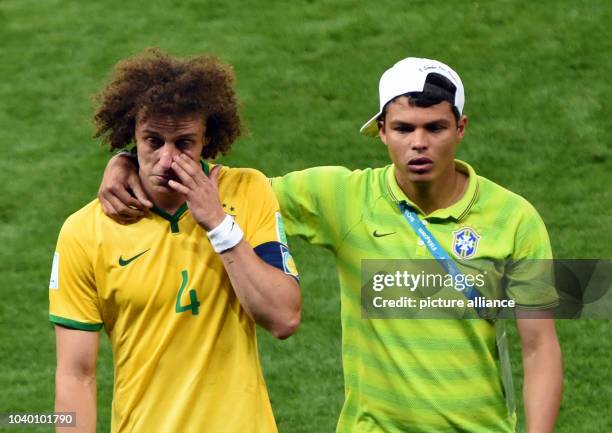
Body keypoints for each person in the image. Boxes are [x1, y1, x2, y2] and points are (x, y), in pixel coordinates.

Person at [99, 57, 563, 432]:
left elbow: (541, 347)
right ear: (380, 131)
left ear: (460, 128)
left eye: (435, 128)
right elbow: (231, 189)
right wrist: (127, 160)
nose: (418, 143)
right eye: (403, 128)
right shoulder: (344, 198)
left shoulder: (515, 218)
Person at [49, 49, 301, 433]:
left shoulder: (248, 192)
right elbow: (75, 375)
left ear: (208, 140)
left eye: (183, 143)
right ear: (130, 134)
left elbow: (284, 317)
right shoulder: (84, 231)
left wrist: (218, 224)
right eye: (152, 141)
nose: (167, 159)